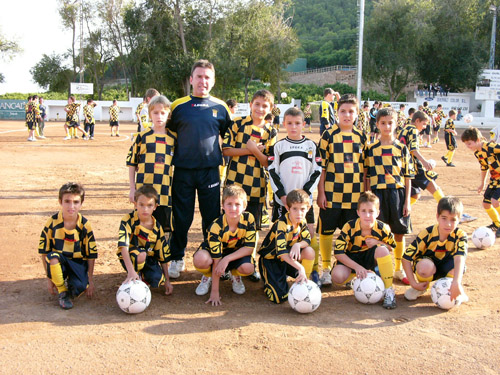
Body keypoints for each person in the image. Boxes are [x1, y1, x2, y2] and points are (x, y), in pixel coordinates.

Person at [167, 59, 232, 279]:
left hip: (210, 172)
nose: (203, 81)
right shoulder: (178, 106)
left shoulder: (220, 107)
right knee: (181, 217)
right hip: (183, 171)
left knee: (212, 217)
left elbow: (229, 137)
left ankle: (214, 257)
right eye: (199, 76)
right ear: (191, 79)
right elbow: (167, 134)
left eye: (207, 77)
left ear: (212, 81)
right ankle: (177, 256)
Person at [223, 89, 277, 282]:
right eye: (257, 104)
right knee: (229, 224)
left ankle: (249, 262)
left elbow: (267, 162)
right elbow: (227, 150)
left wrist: (255, 151)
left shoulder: (271, 131)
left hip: (256, 187)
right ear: (251, 104)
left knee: (251, 227)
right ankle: (227, 264)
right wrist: (251, 149)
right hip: (234, 184)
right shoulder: (237, 124)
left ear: (270, 108)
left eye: (265, 106)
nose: (260, 109)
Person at [268, 107, 322, 285]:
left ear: (304, 124)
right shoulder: (278, 146)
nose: (293, 127)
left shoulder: (311, 146)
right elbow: (272, 171)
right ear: (284, 124)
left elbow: (317, 171)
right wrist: (283, 196)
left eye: (297, 123)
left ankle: (312, 272)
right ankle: (280, 272)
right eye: (289, 123)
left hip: (305, 203)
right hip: (282, 202)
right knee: (280, 235)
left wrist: (305, 193)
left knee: (309, 235)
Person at [317, 94, 367, 286]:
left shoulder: (362, 137)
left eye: (351, 111)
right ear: (336, 113)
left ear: (357, 114)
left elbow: (364, 169)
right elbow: (321, 167)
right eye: (343, 111)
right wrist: (321, 193)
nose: (347, 115)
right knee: (326, 231)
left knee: (351, 234)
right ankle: (326, 269)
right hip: (331, 193)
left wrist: (365, 196)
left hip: (355, 196)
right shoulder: (328, 135)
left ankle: (349, 269)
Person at [364, 107, 414, 285]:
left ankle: (399, 269)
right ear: (377, 124)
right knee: (379, 232)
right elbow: (367, 176)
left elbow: (408, 177)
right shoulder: (371, 149)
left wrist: (407, 200)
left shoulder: (402, 148)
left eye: (390, 123)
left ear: (396, 124)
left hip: (397, 193)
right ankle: (379, 267)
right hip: (377, 194)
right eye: (383, 123)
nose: (387, 126)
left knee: (399, 232)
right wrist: (368, 197)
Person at [332, 192, 397, 309]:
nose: (367, 215)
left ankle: (388, 290)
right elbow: (338, 252)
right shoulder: (349, 226)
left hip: (369, 258)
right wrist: (357, 267)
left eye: (371, 211)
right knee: (337, 277)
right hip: (352, 258)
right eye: (363, 211)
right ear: (358, 212)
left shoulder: (383, 228)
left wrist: (378, 242)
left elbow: (391, 247)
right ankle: (352, 278)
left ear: (378, 213)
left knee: (382, 250)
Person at [193, 185, 256, 304]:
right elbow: (217, 260)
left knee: (248, 268)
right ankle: (208, 276)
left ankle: (235, 275)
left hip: (235, 253)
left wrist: (227, 259)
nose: (233, 208)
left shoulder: (249, 219)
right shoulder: (216, 226)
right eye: (229, 204)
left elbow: (249, 248)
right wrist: (215, 292)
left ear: (244, 207)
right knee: (200, 259)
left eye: (237, 204)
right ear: (223, 206)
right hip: (214, 255)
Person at [38, 182, 97, 309]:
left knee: (80, 286)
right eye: (67, 201)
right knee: (52, 257)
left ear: (81, 203)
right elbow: (44, 252)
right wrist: (49, 279)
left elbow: (91, 254)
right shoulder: (52, 223)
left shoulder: (85, 225)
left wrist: (90, 280)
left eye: (76, 202)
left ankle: (71, 286)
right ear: (60, 201)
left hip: (77, 262)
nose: (71, 206)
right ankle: (62, 291)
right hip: (60, 261)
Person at [402, 196, 468, 304]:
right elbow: (406, 258)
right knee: (425, 266)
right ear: (437, 216)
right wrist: (413, 283)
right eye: (444, 218)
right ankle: (420, 288)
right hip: (428, 267)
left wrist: (457, 282)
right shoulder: (427, 234)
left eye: (453, 219)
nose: (448, 224)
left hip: (446, 266)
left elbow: (460, 258)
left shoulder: (460, 235)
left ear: (459, 220)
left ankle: (451, 288)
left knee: (459, 266)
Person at [127, 95, 175, 235]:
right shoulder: (142, 137)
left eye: (163, 113)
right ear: (149, 114)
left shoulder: (173, 138)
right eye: (155, 113)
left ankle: (161, 255)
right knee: (142, 226)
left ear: (168, 114)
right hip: (144, 190)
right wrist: (132, 188)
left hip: (165, 192)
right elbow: (132, 163)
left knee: (163, 229)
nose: (159, 116)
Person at [258, 189, 315, 303]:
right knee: (280, 298)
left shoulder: (302, 221)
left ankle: (304, 282)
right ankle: (270, 280)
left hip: (287, 258)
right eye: (295, 209)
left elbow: (307, 239)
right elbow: (281, 253)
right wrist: (300, 267)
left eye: (302, 209)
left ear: (308, 209)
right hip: (271, 261)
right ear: (288, 208)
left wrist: (298, 244)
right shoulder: (281, 224)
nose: (299, 213)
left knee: (309, 251)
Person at [117, 185, 173, 296]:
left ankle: (143, 277)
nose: (145, 209)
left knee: (157, 279)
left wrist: (167, 280)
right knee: (140, 255)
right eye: (141, 205)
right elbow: (123, 246)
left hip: (148, 257)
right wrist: (131, 271)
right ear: (135, 204)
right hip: (130, 256)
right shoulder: (128, 220)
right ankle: (134, 276)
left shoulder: (157, 228)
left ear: (155, 207)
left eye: (149, 205)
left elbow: (163, 256)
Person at [462, 126, 500, 236]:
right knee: (486, 204)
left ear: (478, 140)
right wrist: (482, 183)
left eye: (469, 143)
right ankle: (497, 224)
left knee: (495, 201)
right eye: (466, 144)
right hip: (494, 179)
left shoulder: (490, 147)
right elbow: (484, 167)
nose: (468, 146)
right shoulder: (478, 153)